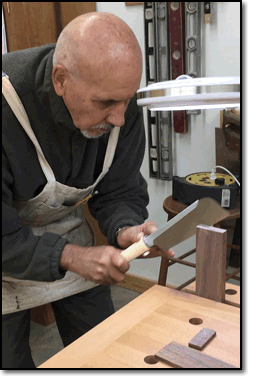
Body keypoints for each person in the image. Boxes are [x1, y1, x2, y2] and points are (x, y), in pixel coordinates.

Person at [2, 12, 174, 368]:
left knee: (106, 354)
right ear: (61, 79)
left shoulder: (118, 101)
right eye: (106, 104)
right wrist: (73, 257)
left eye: (127, 101)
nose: (120, 119)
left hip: (68, 234)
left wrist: (126, 228)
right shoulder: (6, 105)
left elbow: (120, 187)